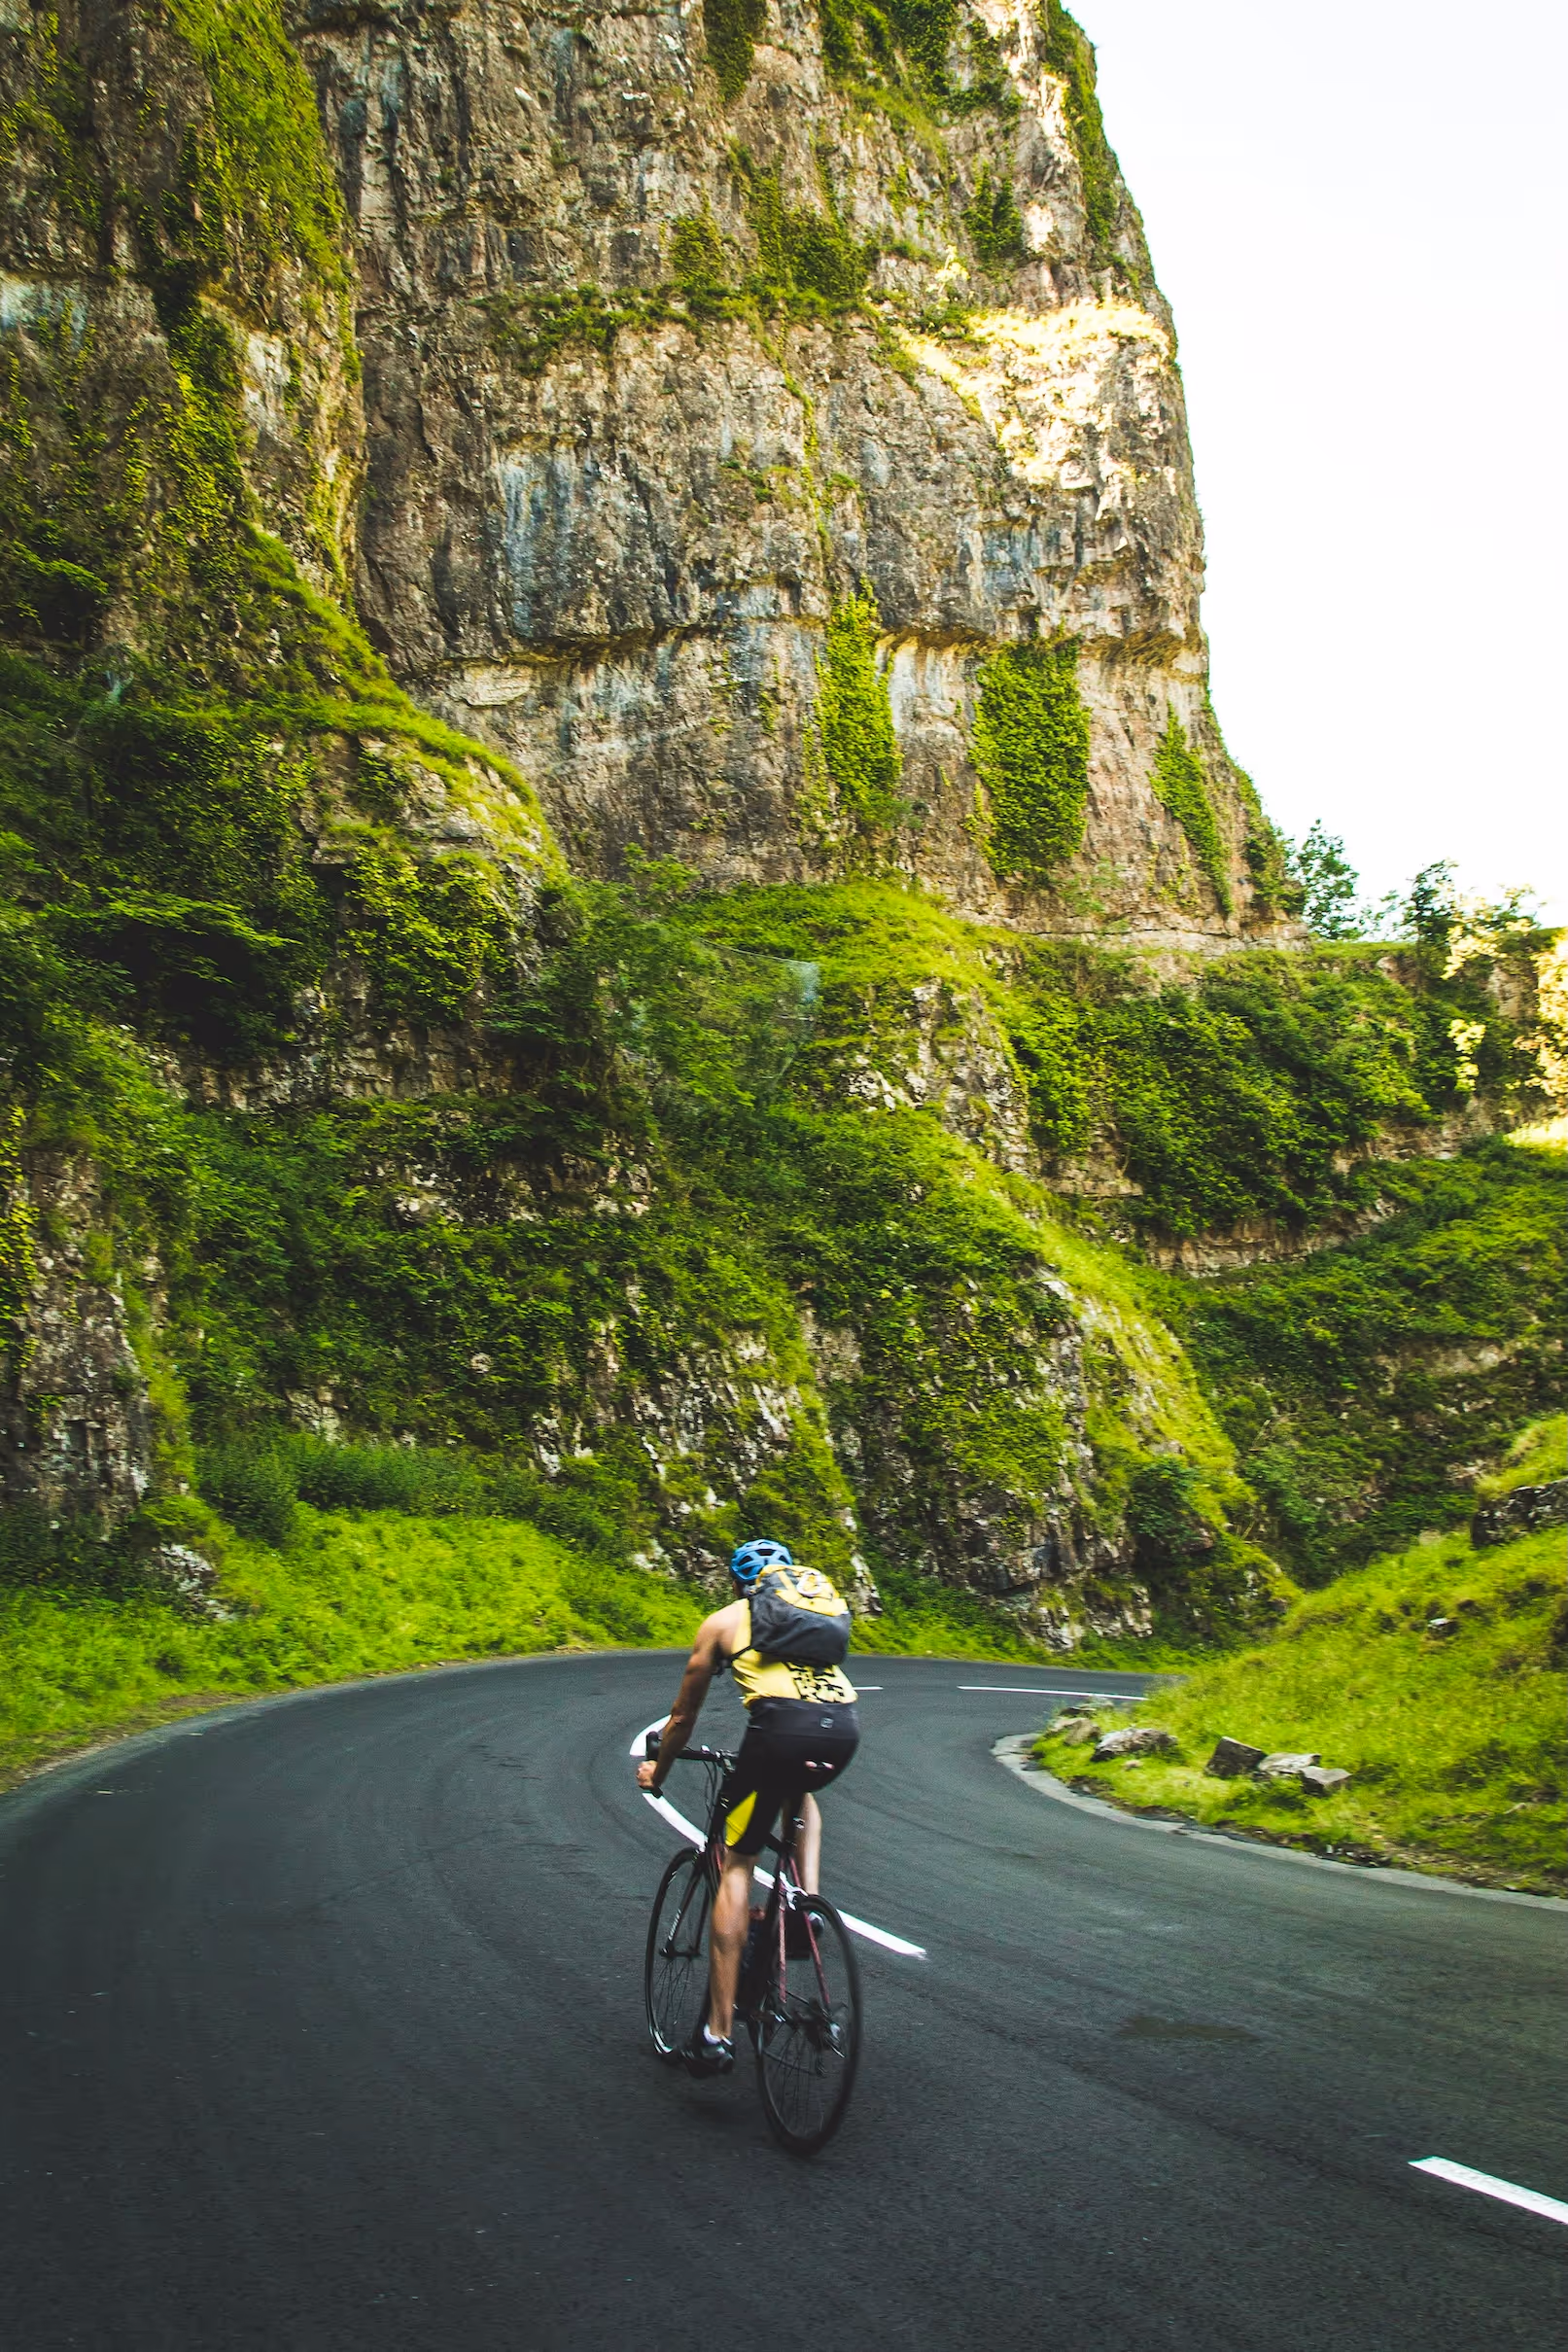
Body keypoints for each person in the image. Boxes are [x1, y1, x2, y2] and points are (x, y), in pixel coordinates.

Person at [636, 1538, 859, 2077]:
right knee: (797, 1793)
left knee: (737, 1863)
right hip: (842, 1730)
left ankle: (716, 2035)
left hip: (779, 1731)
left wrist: (657, 1773)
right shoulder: (810, 1622)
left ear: (739, 1584)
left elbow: (682, 1718)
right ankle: (805, 1903)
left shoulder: (723, 1622)